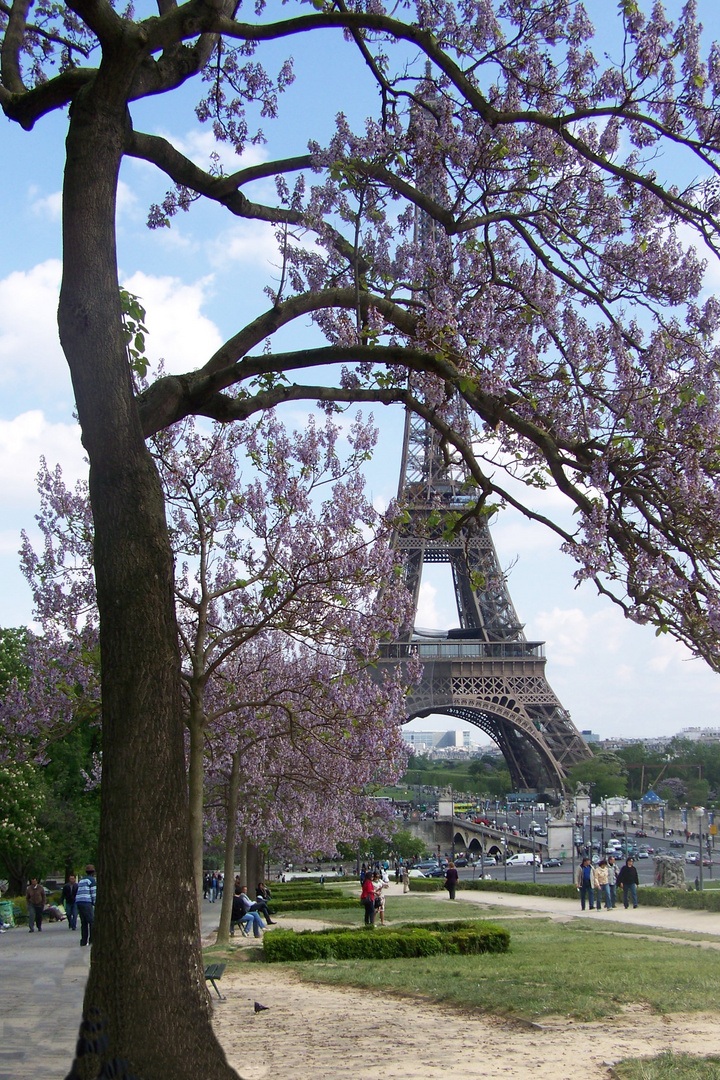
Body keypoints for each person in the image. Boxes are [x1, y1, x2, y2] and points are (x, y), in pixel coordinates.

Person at [75, 864, 97, 946]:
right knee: (91, 921)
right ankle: (92, 939)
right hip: (86, 901)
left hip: (79, 901)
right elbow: (93, 893)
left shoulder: (81, 880)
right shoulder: (92, 880)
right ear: (93, 872)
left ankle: (83, 940)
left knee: (84, 922)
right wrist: (95, 902)